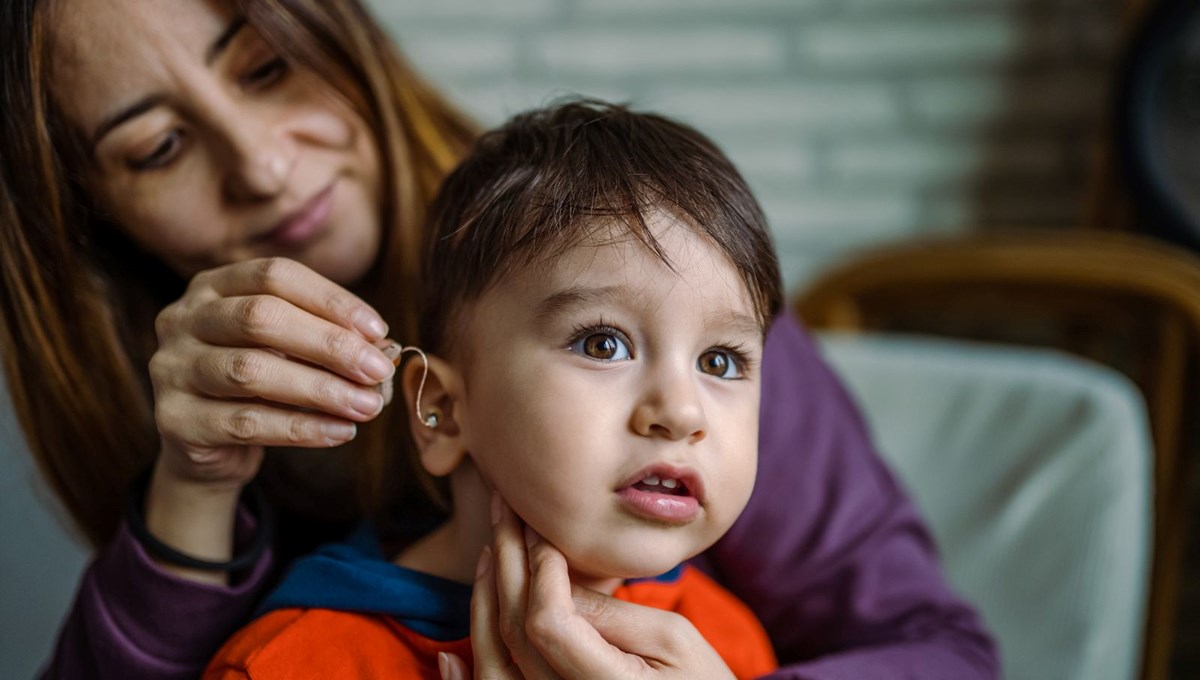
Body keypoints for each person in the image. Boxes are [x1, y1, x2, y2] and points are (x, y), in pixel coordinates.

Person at [0, 0, 999, 678]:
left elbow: (942, 647)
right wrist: (191, 491)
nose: (261, 164)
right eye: (157, 147)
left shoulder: (668, 266)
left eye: (268, 67)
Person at [206, 99, 783, 679]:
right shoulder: (284, 666)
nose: (682, 412)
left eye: (721, 360)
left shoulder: (719, 646)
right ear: (444, 411)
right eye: (603, 344)